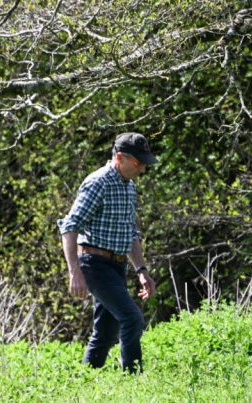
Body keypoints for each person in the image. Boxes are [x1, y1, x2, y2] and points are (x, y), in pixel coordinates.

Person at [57, 132, 158, 373]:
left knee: (106, 332)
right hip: (94, 264)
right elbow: (69, 226)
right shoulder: (97, 183)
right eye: (138, 162)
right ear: (120, 157)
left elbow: (130, 233)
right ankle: (134, 381)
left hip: (117, 266)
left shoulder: (129, 187)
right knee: (132, 318)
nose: (142, 169)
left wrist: (141, 270)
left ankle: (84, 383)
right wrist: (75, 272)